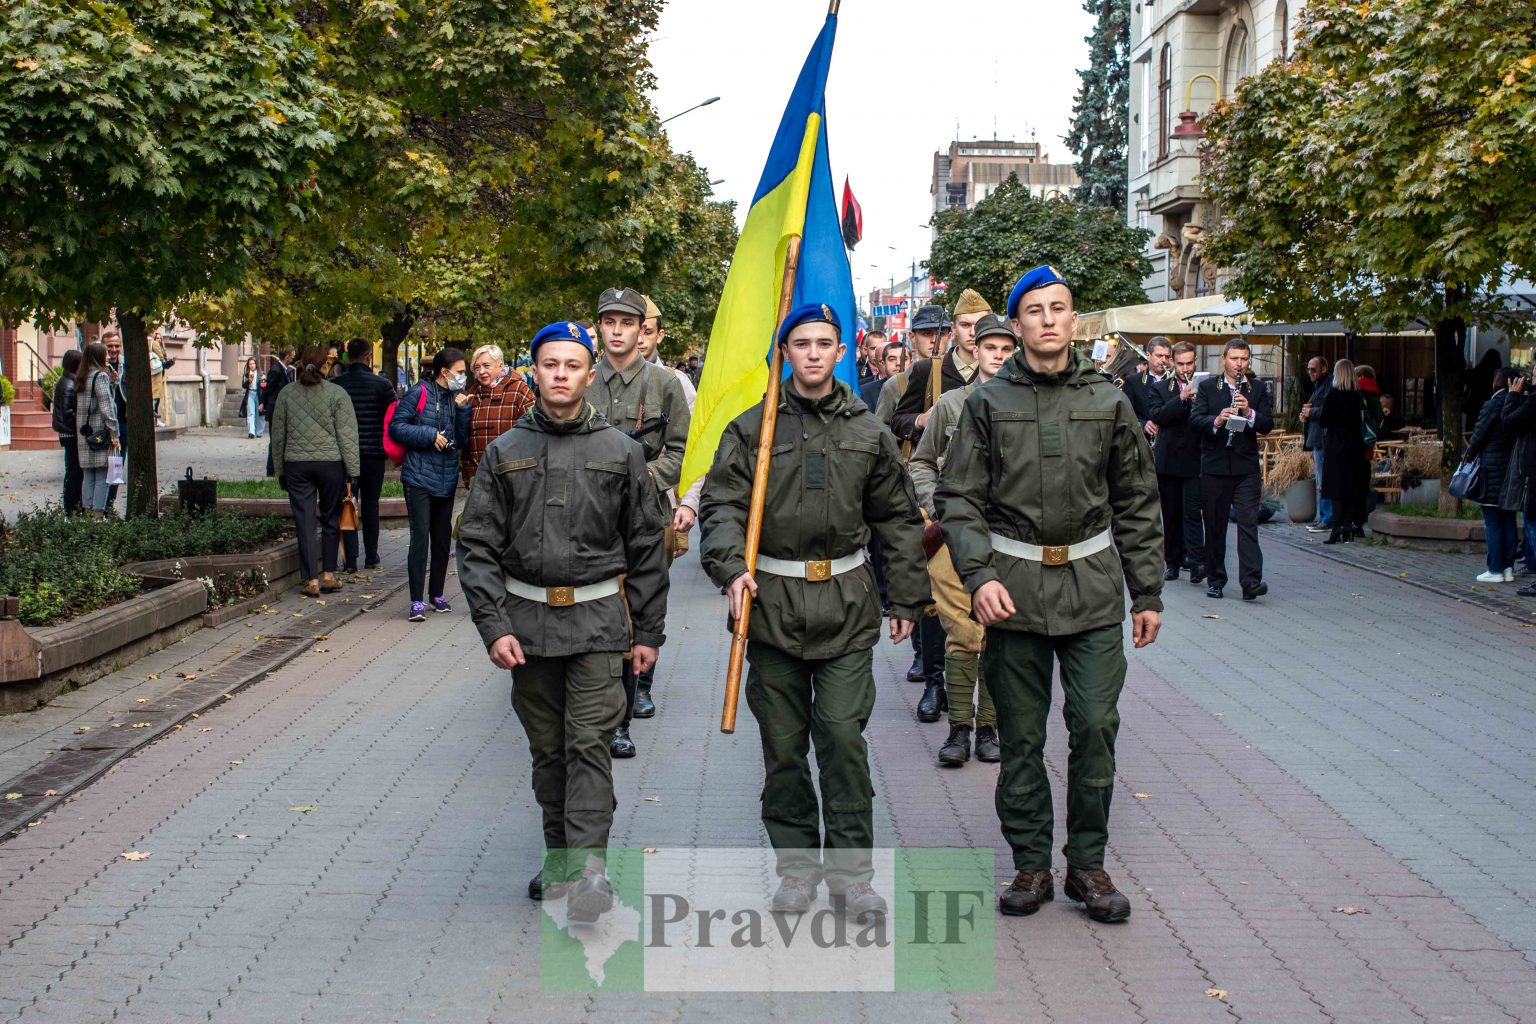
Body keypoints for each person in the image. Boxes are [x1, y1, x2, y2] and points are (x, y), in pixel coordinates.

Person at [934, 265, 1163, 922]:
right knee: (1023, 738)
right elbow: (960, 499)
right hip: (1015, 593)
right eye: (1034, 310)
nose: (1047, 320)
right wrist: (978, 577)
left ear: (1073, 318)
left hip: (1092, 591)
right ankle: (1032, 865)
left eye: (1059, 307)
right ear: (1018, 322)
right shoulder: (987, 402)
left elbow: (1138, 502)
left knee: (1094, 726)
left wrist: (1147, 593)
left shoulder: (1108, 399)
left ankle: (1086, 866)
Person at [700, 302, 929, 918]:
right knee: (783, 748)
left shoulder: (866, 430)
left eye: (824, 343)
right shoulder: (753, 429)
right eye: (800, 343)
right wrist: (729, 567)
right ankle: (797, 871)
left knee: (841, 739)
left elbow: (898, 520)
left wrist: (906, 596)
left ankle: (853, 877)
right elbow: (722, 507)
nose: (813, 353)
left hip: (846, 609)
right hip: (769, 608)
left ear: (840, 351)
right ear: (785, 351)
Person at [456, 320, 669, 919]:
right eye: (550, 364)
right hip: (526, 625)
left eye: (572, 365)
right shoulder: (505, 452)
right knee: (549, 752)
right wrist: (493, 625)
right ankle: (559, 861)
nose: (560, 375)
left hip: (600, 623)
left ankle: (589, 872)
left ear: (589, 371)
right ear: (536, 369)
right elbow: (475, 545)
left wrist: (647, 633)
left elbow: (647, 547)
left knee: (590, 745)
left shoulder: (620, 452)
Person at [908, 313, 1017, 766]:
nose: (998, 355)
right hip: (954, 539)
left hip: (1007, 541)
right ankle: (958, 730)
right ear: (975, 349)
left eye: (1007, 349)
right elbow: (920, 464)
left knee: (995, 634)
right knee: (961, 634)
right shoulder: (952, 405)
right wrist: (940, 511)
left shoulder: (1026, 403)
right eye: (990, 347)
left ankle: (989, 729)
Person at [587, 286, 690, 758]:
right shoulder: (582, 379)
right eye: (609, 322)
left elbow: (682, 450)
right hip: (587, 520)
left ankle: (625, 714)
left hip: (646, 517)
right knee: (601, 619)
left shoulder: (665, 383)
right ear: (599, 327)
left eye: (627, 323)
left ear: (640, 329)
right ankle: (600, 714)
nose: (617, 331)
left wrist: (643, 477)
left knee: (638, 614)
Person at [271, 345, 360, 597]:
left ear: (300, 365)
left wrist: (280, 470)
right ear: (325, 366)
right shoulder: (337, 394)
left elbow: (278, 436)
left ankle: (311, 580)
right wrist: (353, 470)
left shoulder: (287, 394)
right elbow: (347, 436)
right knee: (331, 519)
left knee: (305, 522)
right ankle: (329, 576)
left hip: (296, 465)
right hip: (331, 464)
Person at [389, 347, 472, 620]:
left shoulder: (454, 398)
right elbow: (397, 426)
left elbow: (460, 440)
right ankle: (416, 601)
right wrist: (428, 434)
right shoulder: (419, 392)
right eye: (460, 372)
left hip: (446, 477)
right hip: (419, 477)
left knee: (441, 540)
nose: (463, 377)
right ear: (444, 372)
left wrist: (463, 411)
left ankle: (436, 594)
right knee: (420, 539)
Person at [1191, 338, 1274, 600]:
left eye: (1244, 359)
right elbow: (1195, 420)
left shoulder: (1256, 388)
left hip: (1245, 466)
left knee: (1249, 522)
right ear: (1224, 359)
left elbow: (1267, 424)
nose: (1239, 364)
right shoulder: (1207, 388)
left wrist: (1249, 412)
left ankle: (1251, 582)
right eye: (1235, 359)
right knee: (1215, 525)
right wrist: (1217, 420)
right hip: (1215, 465)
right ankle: (1215, 579)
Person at [333, 338, 397, 572]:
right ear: (369, 356)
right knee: (371, 505)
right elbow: (394, 415)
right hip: (374, 455)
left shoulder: (337, 384)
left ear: (349, 356)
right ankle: (371, 556)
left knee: (348, 503)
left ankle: (351, 560)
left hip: (345, 455)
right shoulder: (382, 385)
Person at [1148, 342, 1206, 583]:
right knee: (1170, 514)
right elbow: (1157, 415)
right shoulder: (1161, 387)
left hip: (1194, 459)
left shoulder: (1206, 387)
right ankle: (1171, 561)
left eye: (1189, 363)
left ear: (1195, 362)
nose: (1185, 368)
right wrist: (1181, 398)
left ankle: (1196, 563)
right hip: (1169, 460)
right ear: (1172, 362)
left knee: (1193, 513)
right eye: (1180, 363)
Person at [1465, 367, 1517, 584]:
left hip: (1492, 469)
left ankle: (1494, 568)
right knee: (1509, 520)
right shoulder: (1518, 404)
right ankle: (1507, 568)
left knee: (1492, 521)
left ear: (1496, 382)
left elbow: (1478, 435)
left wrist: (1467, 457)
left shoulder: (1493, 404)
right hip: (1512, 469)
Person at [462, 344, 535, 489]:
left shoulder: (519, 390)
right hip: (479, 476)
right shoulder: (473, 392)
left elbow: (534, 432)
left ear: (500, 365)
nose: (481, 371)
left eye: (486, 365)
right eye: (477, 368)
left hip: (511, 476)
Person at [1315, 359, 1369, 544]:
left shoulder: (1333, 395)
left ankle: (1336, 529)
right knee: (1351, 487)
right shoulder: (1358, 395)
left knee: (1337, 489)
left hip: (1336, 445)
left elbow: (1324, 420)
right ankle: (1348, 527)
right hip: (1355, 445)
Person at [74, 342, 121, 519]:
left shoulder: (83, 376)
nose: (109, 355)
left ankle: (87, 513)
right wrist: (114, 432)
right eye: (105, 353)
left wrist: (113, 384)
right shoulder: (100, 376)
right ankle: (98, 515)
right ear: (97, 356)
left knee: (89, 475)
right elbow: (106, 406)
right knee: (103, 475)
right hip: (100, 434)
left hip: (85, 434)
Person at [1500, 374, 1536, 594]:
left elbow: (1508, 421)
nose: (1531, 375)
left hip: (1531, 474)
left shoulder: (1534, 402)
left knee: (1532, 524)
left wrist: (1513, 395)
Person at [1300, 355, 1332, 532]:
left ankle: (1326, 518)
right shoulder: (1318, 387)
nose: (1310, 372)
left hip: (1323, 438)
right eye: (1308, 369)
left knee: (1323, 480)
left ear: (1324, 369)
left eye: (1313, 369)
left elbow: (1328, 410)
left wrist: (1310, 412)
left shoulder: (1328, 385)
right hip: (1317, 437)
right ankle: (1323, 517)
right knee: (1320, 478)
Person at [1120, 337, 1172, 438]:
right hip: (1144, 440)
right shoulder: (1132, 381)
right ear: (1148, 355)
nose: (1163, 360)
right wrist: (1143, 424)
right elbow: (1126, 413)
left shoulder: (1174, 381)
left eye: (1167, 356)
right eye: (1159, 356)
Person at [52, 350, 84, 514]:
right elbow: (67, 414)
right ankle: (72, 507)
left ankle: (74, 505)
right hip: (71, 434)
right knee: (74, 472)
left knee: (73, 471)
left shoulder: (67, 382)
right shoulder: (68, 385)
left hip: (69, 433)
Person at [101, 330, 129, 512]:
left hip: (123, 423)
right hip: (105, 426)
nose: (113, 349)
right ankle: (98, 506)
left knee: (117, 466)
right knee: (104, 467)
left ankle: (109, 504)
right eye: (109, 346)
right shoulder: (99, 367)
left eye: (116, 345)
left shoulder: (126, 365)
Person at [261, 348, 295, 478]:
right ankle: (271, 470)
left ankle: (276, 468)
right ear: (286, 357)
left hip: (280, 409)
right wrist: (263, 403)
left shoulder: (284, 370)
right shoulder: (276, 370)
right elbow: (268, 389)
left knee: (279, 439)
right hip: (275, 409)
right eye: (292, 356)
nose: (293, 358)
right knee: (275, 440)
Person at [149, 332, 170, 426]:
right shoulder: (154, 343)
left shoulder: (153, 343)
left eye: (160, 338)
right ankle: (155, 419)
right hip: (156, 371)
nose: (158, 340)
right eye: (157, 337)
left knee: (156, 395)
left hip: (156, 371)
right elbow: (161, 357)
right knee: (155, 395)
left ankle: (155, 420)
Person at [241, 357, 265, 438]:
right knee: (251, 413)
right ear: (248, 365)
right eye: (250, 364)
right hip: (250, 393)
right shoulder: (246, 374)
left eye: (253, 363)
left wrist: (263, 381)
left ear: (256, 364)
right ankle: (251, 432)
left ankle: (259, 432)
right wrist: (249, 381)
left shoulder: (261, 373)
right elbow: (243, 386)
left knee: (260, 413)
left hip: (259, 395)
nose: (251, 365)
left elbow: (264, 386)